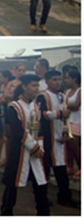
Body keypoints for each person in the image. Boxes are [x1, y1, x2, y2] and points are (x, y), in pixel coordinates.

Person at [0, 74, 49, 215]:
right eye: (33, 85)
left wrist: (39, 147)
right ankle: (6, 213)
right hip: (19, 150)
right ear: (24, 87)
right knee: (12, 187)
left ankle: (43, 213)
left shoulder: (35, 106)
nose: (36, 88)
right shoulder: (14, 107)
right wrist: (34, 147)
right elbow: (17, 131)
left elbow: (38, 128)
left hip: (35, 150)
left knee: (41, 185)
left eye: (37, 85)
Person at [36, 70, 80, 208]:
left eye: (59, 79)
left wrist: (66, 133)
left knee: (61, 169)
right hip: (47, 137)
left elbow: (66, 118)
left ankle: (64, 196)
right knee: (45, 169)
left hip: (59, 138)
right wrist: (59, 114)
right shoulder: (42, 96)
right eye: (54, 79)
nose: (57, 82)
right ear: (47, 81)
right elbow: (40, 114)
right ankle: (41, 198)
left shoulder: (62, 96)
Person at [64, 70, 81, 177]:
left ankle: (80, 166)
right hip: (68, 120)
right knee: (67, 145)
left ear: (74, 79)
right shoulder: (67, 91)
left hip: (78, 121)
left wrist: (65, 107)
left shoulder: (80, 90)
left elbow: (76, 105)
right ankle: (70, 166)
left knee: (74, 145)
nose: (66, 81)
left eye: (68, 78)